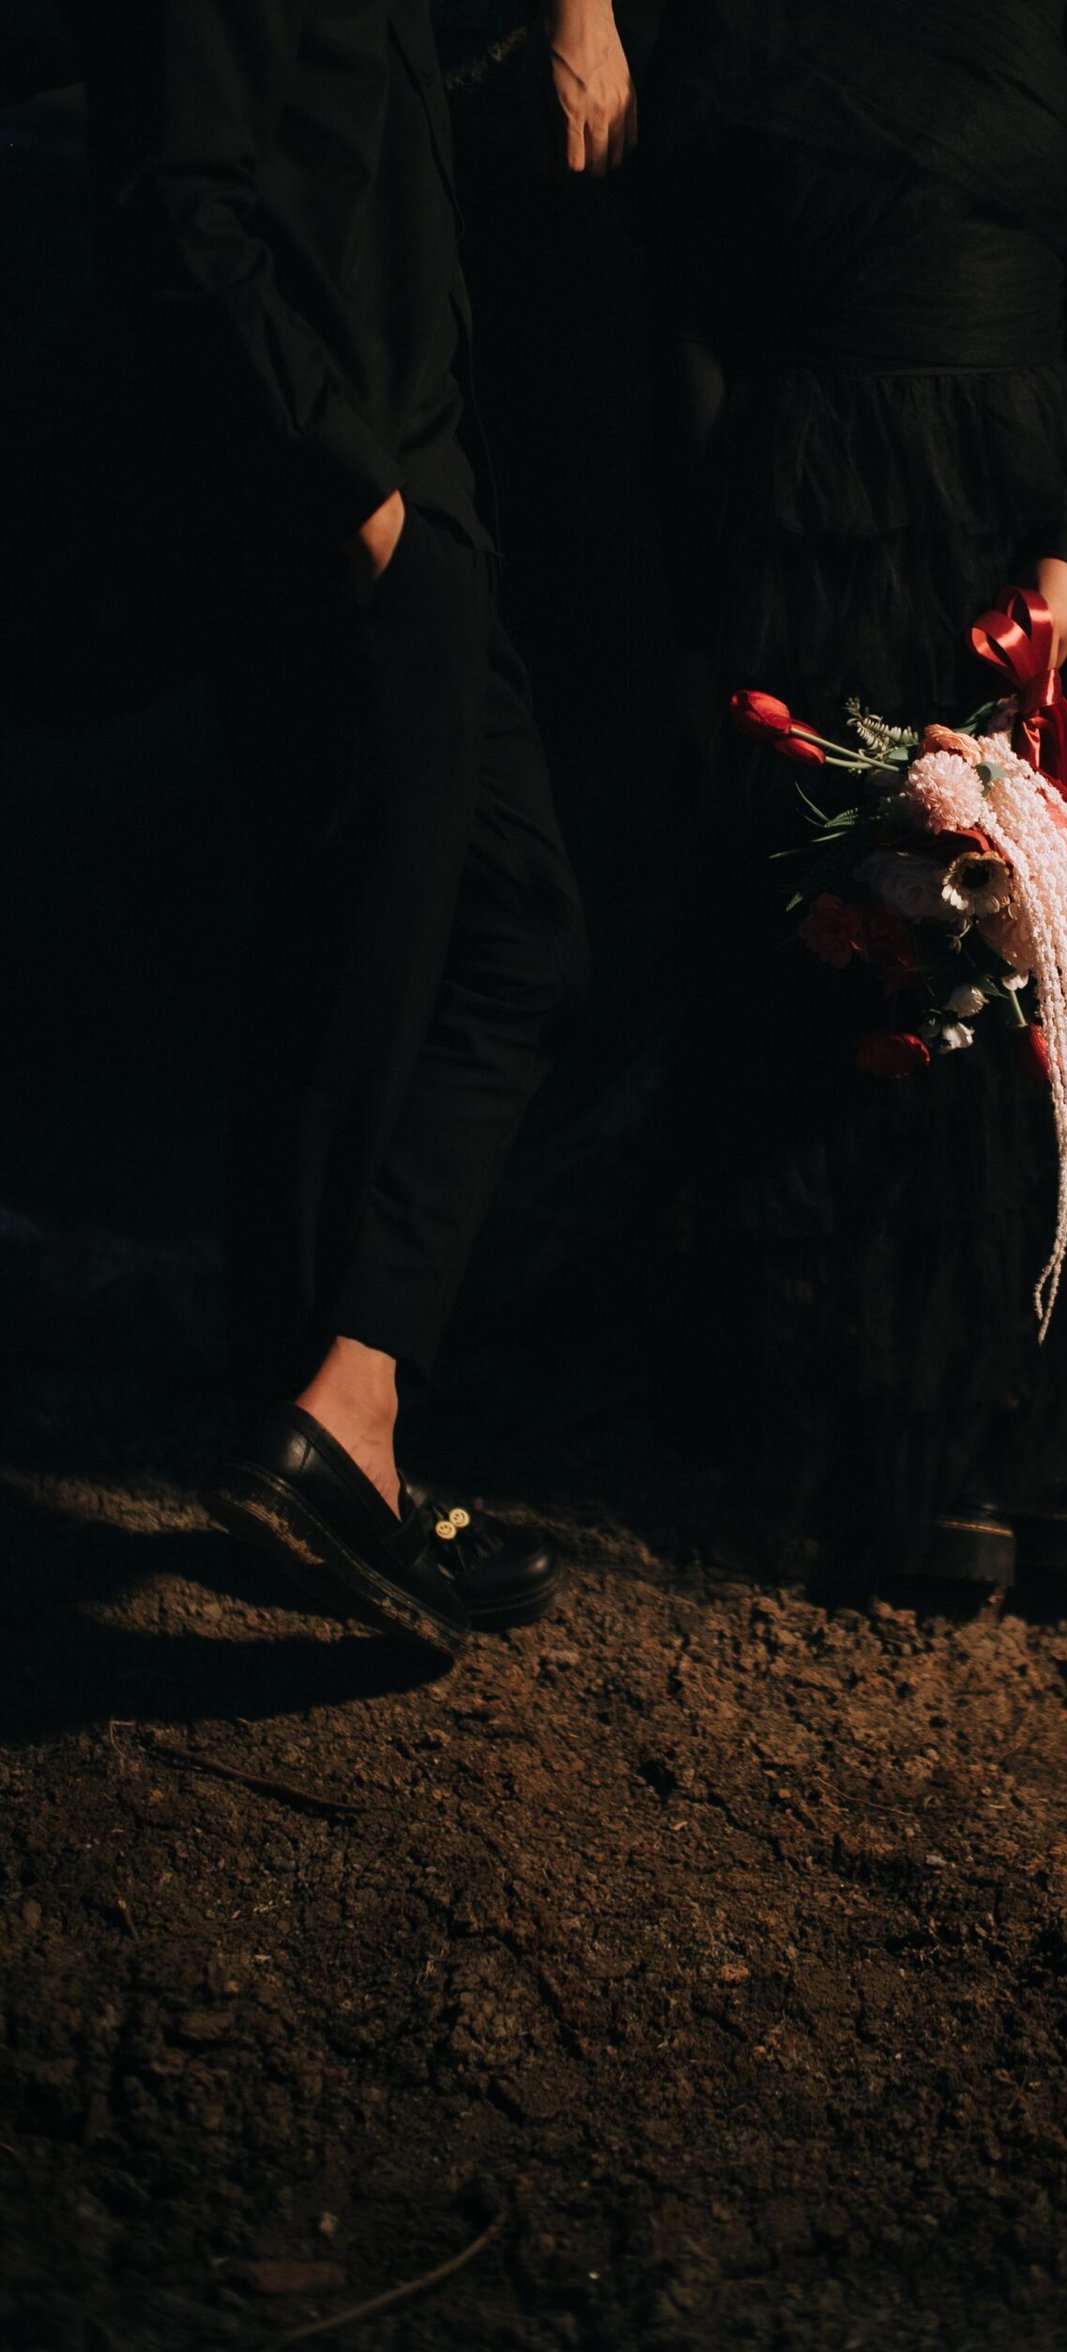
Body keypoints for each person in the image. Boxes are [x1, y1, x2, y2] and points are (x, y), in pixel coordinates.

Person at [78, 0, 636, 1655]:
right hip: (348, 517)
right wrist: (353, 489)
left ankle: (324, 1423)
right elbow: (176, 200)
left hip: (415, 503)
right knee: (368, 974)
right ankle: (336, 1431)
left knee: (500, 935)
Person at [644, 0, 1067, 1598]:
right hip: (822, 537)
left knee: (1031, 973)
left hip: (1011, 545)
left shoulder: (1037, 25)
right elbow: (688, 327)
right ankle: (897, 1443)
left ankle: (1034, 1426)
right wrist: (703, 608)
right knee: (868, 973)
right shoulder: (743, 34)